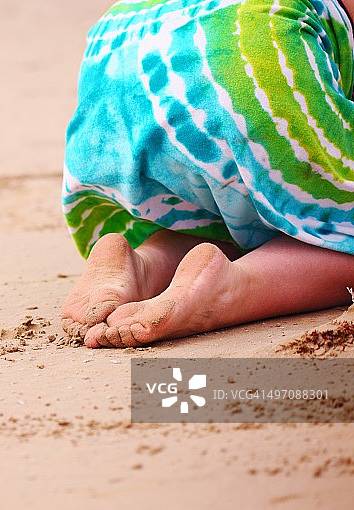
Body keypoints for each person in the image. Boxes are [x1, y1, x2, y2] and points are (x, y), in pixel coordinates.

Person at [60, 0, 354, 348]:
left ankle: (146, 265)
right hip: (251, 45)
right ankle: (234, 286)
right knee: (337, 227)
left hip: (122, 49)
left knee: (226, 214)